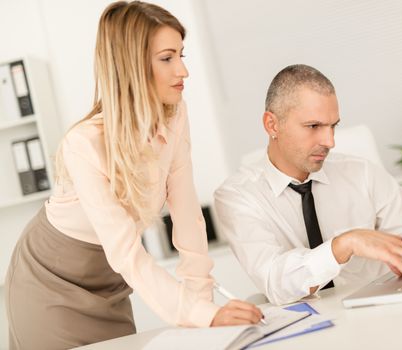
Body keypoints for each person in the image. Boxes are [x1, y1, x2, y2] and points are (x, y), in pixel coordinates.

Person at [4, 2, 262, 349]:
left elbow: (187, 216)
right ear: (132, 64)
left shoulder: (175, 114)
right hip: (51, 279)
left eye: (181, 55)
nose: (183, 70)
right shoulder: (83, 143)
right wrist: (200, 314)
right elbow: (126, 250)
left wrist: (202, 308)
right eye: (168, 58)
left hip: (111, 276)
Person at [214, 64, 402, 305]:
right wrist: (345, 244)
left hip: (381, 310)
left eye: (333, 126)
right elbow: (275, 283)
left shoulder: (362, 172)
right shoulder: (236, 196)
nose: (330, 141)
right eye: (313, 126)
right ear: (272, 125)